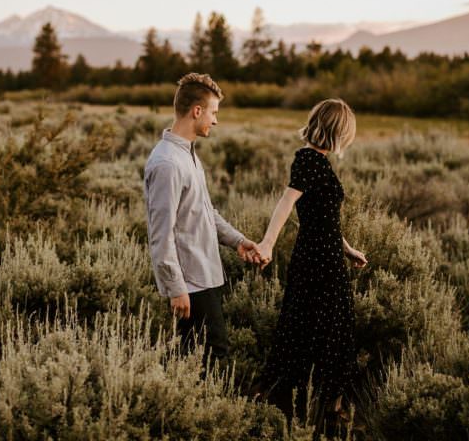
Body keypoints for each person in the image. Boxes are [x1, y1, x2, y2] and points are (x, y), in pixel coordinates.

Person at [254, 98, 368, 430]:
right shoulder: (309, 161)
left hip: (327, 254)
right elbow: (285, 204)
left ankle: (322, 407)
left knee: (322, 329)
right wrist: (268, 243)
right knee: (320, 330)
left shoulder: (316, 161)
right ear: (337, 132)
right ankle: (317, 410)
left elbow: (323, 218)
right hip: (318, 262)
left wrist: (348, 249)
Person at [144, 72, 263, 366]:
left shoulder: (187, 155)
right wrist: (176, 288)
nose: (216, 120)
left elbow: (205, 211)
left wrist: (238, 241)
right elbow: (161, 234)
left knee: (197, 358)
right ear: (197, 111)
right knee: (211, 357)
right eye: (213, 112)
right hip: (191, 284)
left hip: (204, 276)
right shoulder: (168, 163)